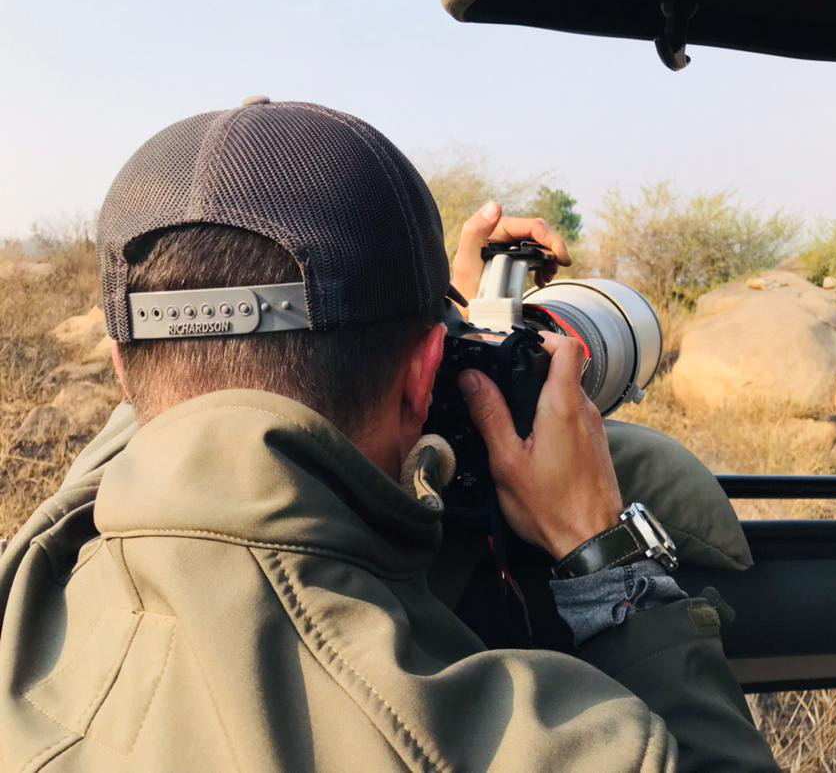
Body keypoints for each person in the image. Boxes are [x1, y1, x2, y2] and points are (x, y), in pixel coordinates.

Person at [0, 99, 779, 771]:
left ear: (121, 370)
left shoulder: (29, 595)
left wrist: (432, 326)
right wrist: (603, 558)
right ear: (424, 374)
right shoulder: (559, 744)